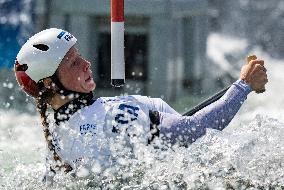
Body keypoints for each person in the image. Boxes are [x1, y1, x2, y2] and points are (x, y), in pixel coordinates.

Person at [15, 28, 268, 180]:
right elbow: (195, 131)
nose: (85, 64)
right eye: (72, 63)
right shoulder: (110, 119)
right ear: (49, 83)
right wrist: (243, 86)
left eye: (79, 55)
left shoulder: (59, 133)